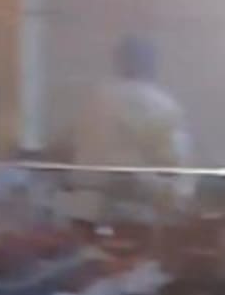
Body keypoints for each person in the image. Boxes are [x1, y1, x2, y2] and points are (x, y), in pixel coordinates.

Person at [71, 35, 193, 216]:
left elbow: (72, 148)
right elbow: (173, 163)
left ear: (119, 63)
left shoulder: (94, 100)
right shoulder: (162, 105)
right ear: (151, 64)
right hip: (137, 213)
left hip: (87, 209)